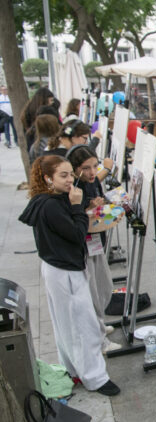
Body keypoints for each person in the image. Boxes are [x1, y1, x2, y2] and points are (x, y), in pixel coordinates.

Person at [18, 155, 120, 396]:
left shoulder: (48, 200)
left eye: (70, 174)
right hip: (64, 270)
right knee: (82, 324)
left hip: (58, 267)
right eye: (63, 176)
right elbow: (75, 234)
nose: (70, 180)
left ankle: (74, 369)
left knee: (67, 324)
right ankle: (95, 377)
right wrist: (77, 208)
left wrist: (80, 208)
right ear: (47, 179)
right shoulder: (51, 204)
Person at [67, 146, 120, 354]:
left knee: (103, 287)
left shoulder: (91, 182)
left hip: (97, 242)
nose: (91, 172)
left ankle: (99, 326)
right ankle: (99, 338)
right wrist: (89, 210)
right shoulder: (76, 189)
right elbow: (77, 218)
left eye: (94, 166)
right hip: (86, 246)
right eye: (85, 168)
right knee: (94, 292)